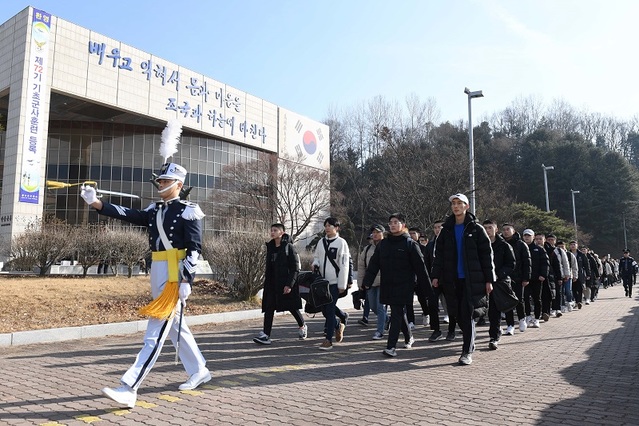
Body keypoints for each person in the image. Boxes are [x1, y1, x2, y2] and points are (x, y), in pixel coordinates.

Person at [81, 162, 210, 409]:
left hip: (175, 272)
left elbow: (195, 248)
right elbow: (128, 214)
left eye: (165, 181)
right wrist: (96, 203)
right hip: (158, 269)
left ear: (178, 185)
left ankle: (129, 387)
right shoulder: (154, 210)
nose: (160, 184)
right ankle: (200, 370)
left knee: (156, 330)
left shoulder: (189, 210)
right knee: (175, 327)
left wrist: (186, 279)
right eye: (160, 181)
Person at [430, 194, 495, 365]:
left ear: (467, 206)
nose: (456, 206)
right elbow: (439, 256)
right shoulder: (447, 230)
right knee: (456, 314)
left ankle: (467, 351)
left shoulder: (476, 229)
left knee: (467, 315)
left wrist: (489, 279)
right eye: (453, 203)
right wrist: (435, 276)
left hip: (471, 279)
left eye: (460, 203)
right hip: (451, 280)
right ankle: (468, 341)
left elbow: (486, 256)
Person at [362, 213, 433, 357]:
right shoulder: (384, 244)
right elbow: (374, 264)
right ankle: (409, 337)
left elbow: (421, 268)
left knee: (396, 313)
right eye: (391, 223)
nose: (392, 225)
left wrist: (428, 291)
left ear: (403, 225)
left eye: (396, 222)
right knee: (398, 314)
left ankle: (391, 347)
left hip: (404, 286)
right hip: (387, 285)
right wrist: (366, 283)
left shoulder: (410, 244)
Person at [253, 223, 306, 345]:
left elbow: (295, 268)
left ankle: (302, 325)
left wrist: (289, 285)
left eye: (275, 230)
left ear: (282, 232)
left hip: (286, 284)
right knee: (269, 308)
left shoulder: (289, 247)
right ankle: (266, 335)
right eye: (271, 230)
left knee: (292, 307)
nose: (272, 232)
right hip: (272, 284)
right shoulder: (270, 247)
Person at [313, 217, 351, 350]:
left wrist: (342, 284)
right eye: (326, 225)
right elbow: (316, 257)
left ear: (337, 228)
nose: (327, 228)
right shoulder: (321, 242)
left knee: (329, 311)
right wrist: (315, 264)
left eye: (330, 225)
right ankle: (339, 323)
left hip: (334, 283)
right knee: (324, 310)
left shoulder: (342, 243)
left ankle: (328, 340)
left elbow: (344, 265)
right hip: (322, 283)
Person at [483, 220, 515, 350]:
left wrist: (498, 275)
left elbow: (511, 264)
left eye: (490, 227)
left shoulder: (504, 245)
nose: (487, 230)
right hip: (481, 281)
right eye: (485, 228)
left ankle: (494, 337)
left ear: (496, 229)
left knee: (494, 311)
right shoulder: (479, 245)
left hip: (498, 282)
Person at [358, 225, 387, 340]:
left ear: (383, 233)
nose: (374, 234)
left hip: (384, 282)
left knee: (380, 307)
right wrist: (361, 283)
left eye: (377, 232)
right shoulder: (367, 250)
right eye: (373, 232)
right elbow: (361, 267)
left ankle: (380, 331)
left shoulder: (387, 246)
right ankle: (387, 319)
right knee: (373, 307)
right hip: (370, 282)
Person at [501, 223, 531, 333]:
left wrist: (526, 278)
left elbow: (527, 262)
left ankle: (522, 319)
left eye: (508, 229)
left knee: (519, 299)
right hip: (504, 277)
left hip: (518, 277)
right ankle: (510, 325)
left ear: (513, 231)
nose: (505, 231)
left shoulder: (521, 244)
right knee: (508, 301)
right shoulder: (500, 243)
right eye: (503, 229)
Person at [522, 230, 549, 328]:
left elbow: (545, 263)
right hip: (525, 279)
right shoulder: (521, 248)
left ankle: (537, 318)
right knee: (525, 299)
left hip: (537, 278)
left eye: (529, 236)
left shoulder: (539, 249)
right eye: (525, 235)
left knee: (537, 299)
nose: (527, 237)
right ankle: (528, 317)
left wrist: (543, 274)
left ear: (533, 237)